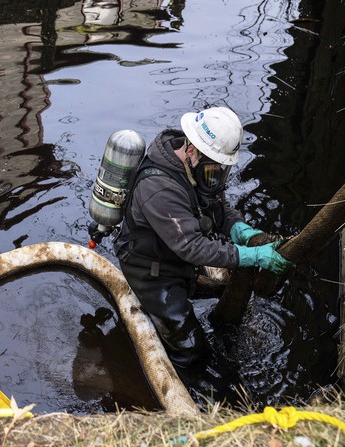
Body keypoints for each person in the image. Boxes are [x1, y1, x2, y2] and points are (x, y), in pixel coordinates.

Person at [114, 106, 291, 368]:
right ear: (192, 150)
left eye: (221, 171)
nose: (216, 178)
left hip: (173, 258)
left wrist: (239, 229)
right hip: (150, 271)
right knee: (193, 351)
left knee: (217, 292)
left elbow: (217, 205)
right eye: (213, 171)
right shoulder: (159, 189)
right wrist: (249, 255)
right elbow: (193, 247)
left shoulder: (196, 170)